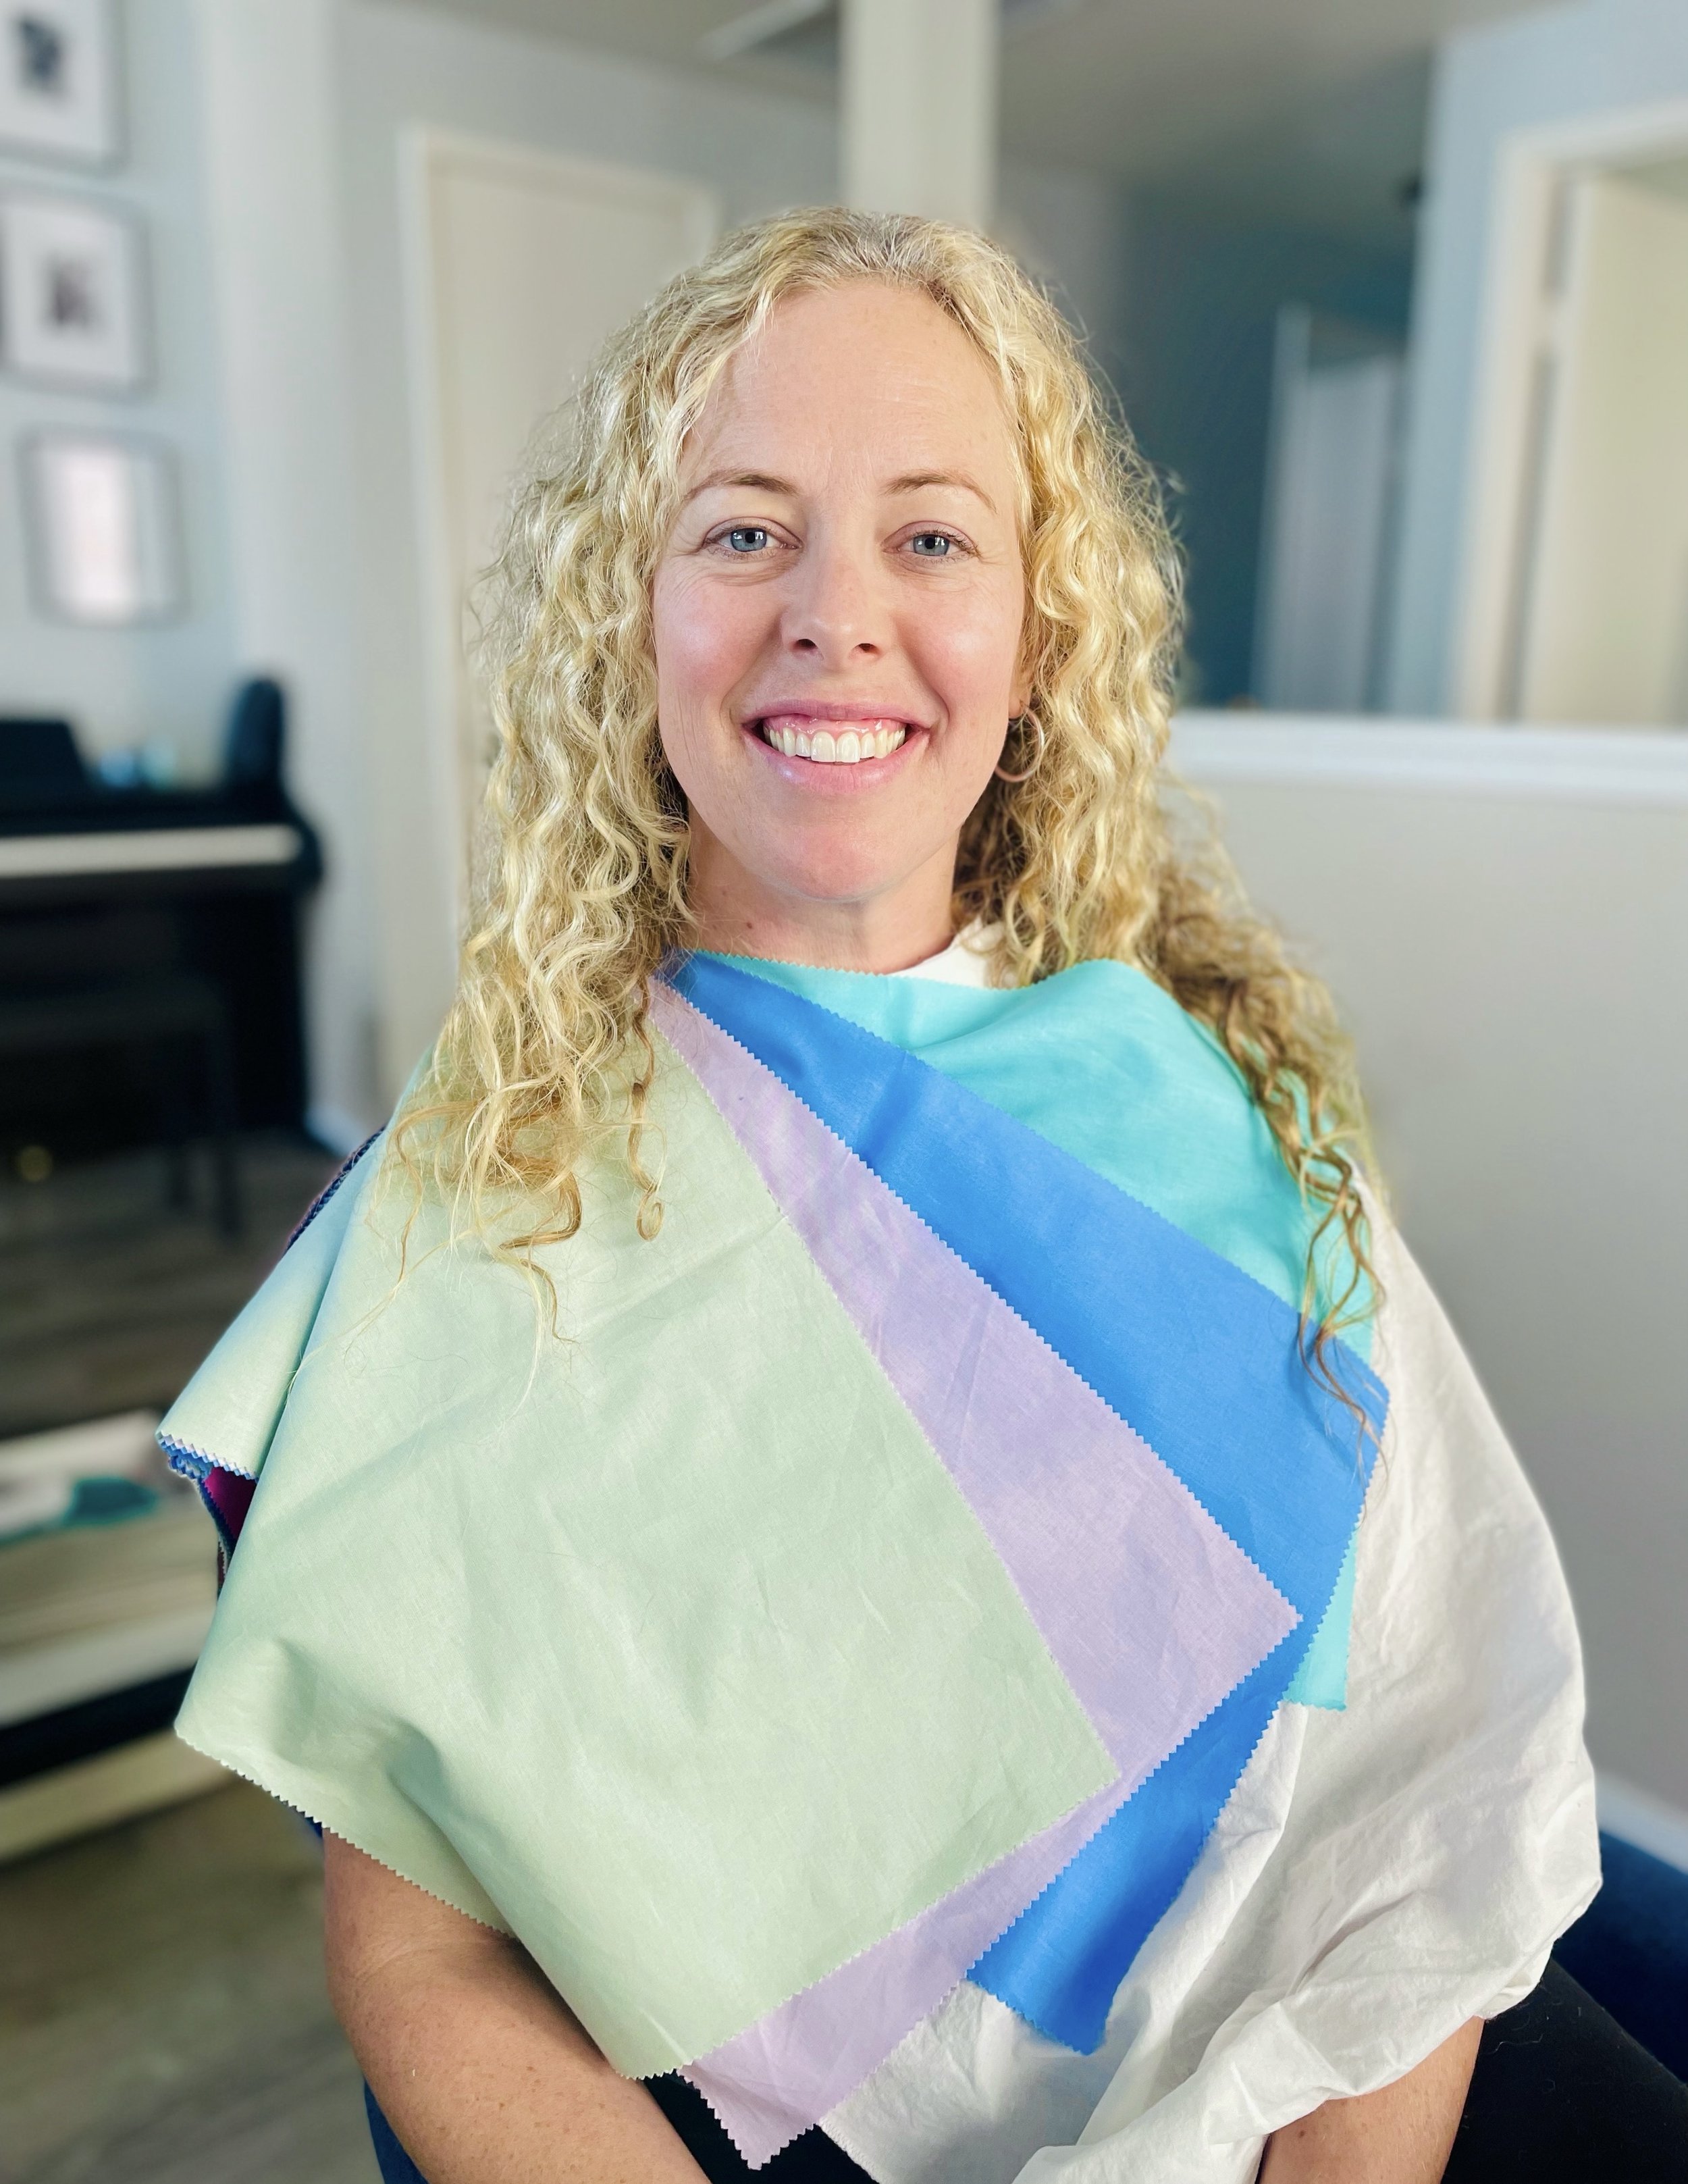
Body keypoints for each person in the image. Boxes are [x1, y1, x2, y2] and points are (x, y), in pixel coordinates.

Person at [159, 210, 1672, 2184]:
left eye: (933, 536)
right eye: (740, 529)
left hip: (1357, 2041)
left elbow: (1419, 1755)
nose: (834, 611)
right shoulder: (486, 1193)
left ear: (1038, 635)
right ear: (630, 612)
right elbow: (423, 1950)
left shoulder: (1212, 1094)